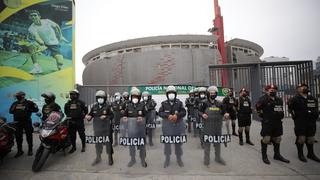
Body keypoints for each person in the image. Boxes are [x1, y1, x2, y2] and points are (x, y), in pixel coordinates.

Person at [256, 85, 290, 165]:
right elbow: (258, 108)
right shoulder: (263, 99)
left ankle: (277, 155)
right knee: (266, 139)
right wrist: (262, 116)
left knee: (278, 138)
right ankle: (264, 156)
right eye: (270, 89)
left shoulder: (279, 100)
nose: (273, 91)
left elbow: (280, 108)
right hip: (267, 123)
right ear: (266, 91)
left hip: (277, 122)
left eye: (274, 89)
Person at [288, 83, 320, 163]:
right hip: (300, 122)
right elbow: (290, 109)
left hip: (311, 122)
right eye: (302, 87)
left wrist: (315, 114)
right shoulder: (295, 99)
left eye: (306, 87)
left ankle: (311, 154)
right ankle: (300, 154)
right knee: (301, 138)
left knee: (311, 138)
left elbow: (316, 108)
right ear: (298, 89)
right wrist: (294, 117)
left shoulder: (312, 98)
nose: (304, 88)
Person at [198, 86, 228, 166]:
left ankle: (217, 158)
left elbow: (224, 112)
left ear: (216, 94)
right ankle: (206, 159)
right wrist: (202, 114)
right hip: (207, 126)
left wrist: (225, 114)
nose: (212, 94)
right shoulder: (204, 103)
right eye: (211, 93)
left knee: (217, 143)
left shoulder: (219, 103)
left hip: (217, 126)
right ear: (208, 94)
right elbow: (199, 112)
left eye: (214, 93)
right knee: (207, 143)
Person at [159, 85, 186, 168]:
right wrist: (168, 116)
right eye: (169, 93)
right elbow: (160, 113)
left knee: (178, 145)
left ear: (175, 94)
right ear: (167, 94)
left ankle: (179, 159)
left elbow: (184, 112)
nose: (171, 94)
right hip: (167, 128)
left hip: (177, 127)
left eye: (172, 93)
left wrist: (177, 116)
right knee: (167, 145)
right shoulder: (163, 103)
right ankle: (167, 159)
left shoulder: (179, 103)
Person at [85, 90, 114, 166]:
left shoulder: (108, 106)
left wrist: (106, 116)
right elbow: (90, 115)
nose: (100, 99)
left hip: (107, 129)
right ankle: (98, 157)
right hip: (97, 129)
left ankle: (110, 157)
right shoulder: (94, 106)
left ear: (104, 99)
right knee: (98, 144)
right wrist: (88, 117)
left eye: (101, 98)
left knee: (108, 144)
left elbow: (112, 115)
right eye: (98, 98)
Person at [123, 87, 147, 167]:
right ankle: (132, 159)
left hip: (140, 130)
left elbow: (146, 115)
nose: (135, 98)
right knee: (132, 145)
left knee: (142, 145)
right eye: (133, 97)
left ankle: (143, 160)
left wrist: (142, 118)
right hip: (131, 130)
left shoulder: (142, 105)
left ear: (139, 98)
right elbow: (125, 114)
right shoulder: (128, 105)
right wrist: (124, 117)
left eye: (136, 97)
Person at [9, 91, 39, 157]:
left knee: (29, 136)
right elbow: (10, 111)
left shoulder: (29, 103)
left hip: (27, 122)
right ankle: (20, 151)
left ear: (22, 96)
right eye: (17, 95)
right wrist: (14, 108)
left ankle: (30, 150)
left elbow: (36, 109)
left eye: (18, 95)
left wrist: (30, 109)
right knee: (18, 137)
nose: (17, 96)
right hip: (17, 123)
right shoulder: (15, 103)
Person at [64, 89, 88, 153]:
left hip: (79, 121)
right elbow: (66, 111)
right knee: (72, 135)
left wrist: (82, 116)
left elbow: (86, 111)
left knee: (82, 134)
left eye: (73, 94)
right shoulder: (68, 103)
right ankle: (73, 147)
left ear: (77, 95)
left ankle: (83, 146)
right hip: (71, 122)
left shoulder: (81, 102)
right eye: (71, 94)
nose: (71, 95)